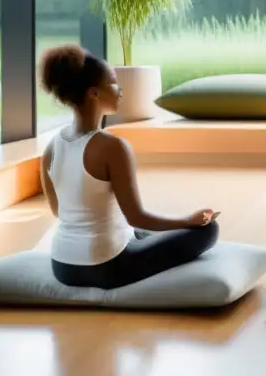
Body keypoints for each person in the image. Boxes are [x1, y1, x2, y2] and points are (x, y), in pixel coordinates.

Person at [38, 45, 220, 289]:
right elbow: (137, 216)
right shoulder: (112, 147)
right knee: (208, 231)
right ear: (93, 93)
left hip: (62, 266)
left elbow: (59, 212)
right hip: (107, 267)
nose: (120, 89)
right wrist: (188, 221)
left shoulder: (51, 147)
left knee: (138, 231)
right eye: (113, 83)